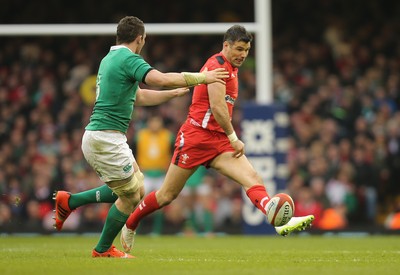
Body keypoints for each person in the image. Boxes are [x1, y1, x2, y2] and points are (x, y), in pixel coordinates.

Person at [119, 25, 314, 253]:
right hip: (196, 138)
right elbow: (217, 106)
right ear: (226, 46)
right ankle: (130, 223)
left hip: (217, 141)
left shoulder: (232, 67)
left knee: (251, 176)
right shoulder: (217, 66)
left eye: (247, 50)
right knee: (166, 195)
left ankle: (278, 220)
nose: (243, 54)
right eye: (239, 49)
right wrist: (233, 137)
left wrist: (226, 138)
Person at [53, 15, 229, 258]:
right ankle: (102, 249)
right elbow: (160, 79)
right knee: (129, 196)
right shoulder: (128, 58)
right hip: (105, 138)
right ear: (140, 39)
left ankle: (70, 202)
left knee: (138, 188)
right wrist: (203, 77)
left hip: (107, 137)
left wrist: (173, 94)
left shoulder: (109, 59)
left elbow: (140, 96)